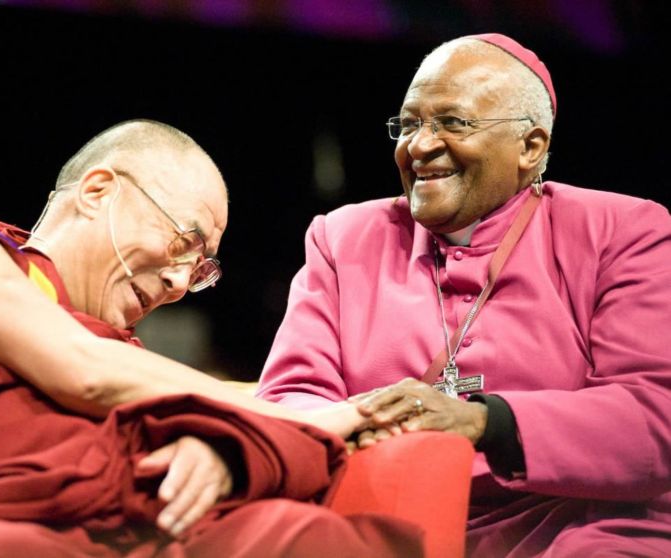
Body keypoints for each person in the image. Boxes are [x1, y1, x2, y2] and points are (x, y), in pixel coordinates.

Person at [0, 120, 422, 557]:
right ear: (97, 192)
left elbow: (143, 415)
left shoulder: (132, 361)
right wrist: (309, 413)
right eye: (182, 243)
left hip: (116, 529)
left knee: (310, 539)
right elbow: (80, 369)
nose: (175, 281)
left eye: (199, 271)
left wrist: (222, 449)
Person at [256, 34, 671, 556]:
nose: (419, 146)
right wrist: (365, 426)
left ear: (530, 147)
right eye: (408, 125)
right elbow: (289, 398)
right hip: (387, 518)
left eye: (453, 123)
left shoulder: (622, 231)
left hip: (576, 524)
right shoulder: (344, 238)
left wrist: (483, 421)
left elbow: (654, 416)